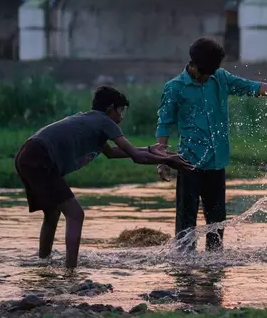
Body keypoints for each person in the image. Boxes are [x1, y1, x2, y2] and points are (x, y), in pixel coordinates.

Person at [14, 86, 193, 269]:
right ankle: (70, 272)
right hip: (40, 158)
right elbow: (136, 157)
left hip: (27, 155)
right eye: (121, 110)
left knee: (52, 213)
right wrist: (169, 160)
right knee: (76, 214)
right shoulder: (106, 122)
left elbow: (112, 152)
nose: (122, 116)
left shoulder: (91, 120)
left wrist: (150, 149)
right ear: (110, 108)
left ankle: (43, 263)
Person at [156, 37, 267, 252]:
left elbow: (252, 88)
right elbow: (164, 124)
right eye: (205, 73)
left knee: (217, 221)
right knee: (185, 220)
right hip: (188, 163)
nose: (208, 77)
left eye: (212, 73)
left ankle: (214, 271)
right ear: (192, 65)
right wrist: (162, 161)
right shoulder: (174, 88)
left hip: (217, 161)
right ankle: (183, 272)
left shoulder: (220, 78)